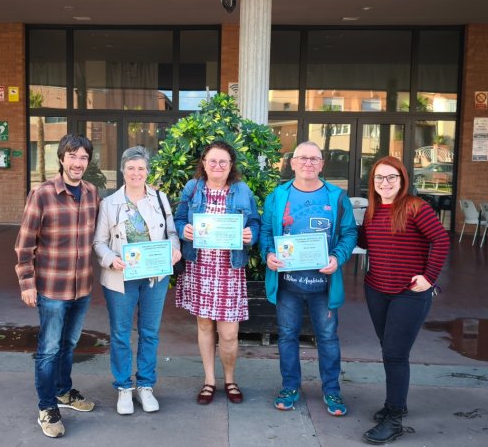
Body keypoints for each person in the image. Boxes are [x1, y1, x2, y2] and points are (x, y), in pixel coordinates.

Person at [259, 141, 358, 417]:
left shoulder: (336, 196)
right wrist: (268, 254)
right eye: (302, 158)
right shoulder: (278, 196)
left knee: (327, 338)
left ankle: (332, 390)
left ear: (322, 164)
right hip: (288, 285)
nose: (308, 163)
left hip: (323, 286)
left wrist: (337, 257)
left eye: (314, 159)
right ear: (292, 163)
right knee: (287, 336)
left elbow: (350, 233)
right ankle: (290, 387)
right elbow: (266, 232)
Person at [357, 156, 449, 444]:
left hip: (409, 293)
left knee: (395, 353)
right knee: (389, 349)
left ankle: (394, 419)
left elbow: (441, 240)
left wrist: (429, 277)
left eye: (391, 177)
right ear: (373, 182)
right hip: (377, 289)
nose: (385, 183)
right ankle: (395, 404)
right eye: (379, 178)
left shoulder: (415, 207)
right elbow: (365, 241)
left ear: (402, 180)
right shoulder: (372, 210)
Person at [14, 134, 100, 438]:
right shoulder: (42, 194)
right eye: (72, 156)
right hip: (51, 288)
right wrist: (27, 283)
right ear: (62, 158)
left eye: (83, 157)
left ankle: (64, 391)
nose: (78, 163)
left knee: (69, 345)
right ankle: (47, 407)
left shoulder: (92, 193)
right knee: (49, 349)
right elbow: (24, 244)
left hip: (82, 287)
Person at [93, 146, 182, 415]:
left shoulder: (160, 199)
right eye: (131, 168)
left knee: (150, 332)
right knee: (121, 334)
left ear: (147, 171)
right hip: (121, 277)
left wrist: (175, 249)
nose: (136, 173)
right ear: (122, 170)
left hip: (154, 276)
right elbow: (99, 242)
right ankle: (123, 387)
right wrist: (111, 259)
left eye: (141, 168)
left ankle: (145, 385)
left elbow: (172, 233)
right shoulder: (109, 204)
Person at [174, 140, 261, 405]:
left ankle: (230, 379)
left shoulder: (241, 190)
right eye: (212, 161)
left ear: (231, 165)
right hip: (200, 266)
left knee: (229, 332)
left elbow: (255, 221)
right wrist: (184, 230)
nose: (217, 166)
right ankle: (209, 380)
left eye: (223, 161)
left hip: (229, 269)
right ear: (203, 163)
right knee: (204, 325)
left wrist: (251, 234)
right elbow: (178, 219)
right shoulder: (193, 188)